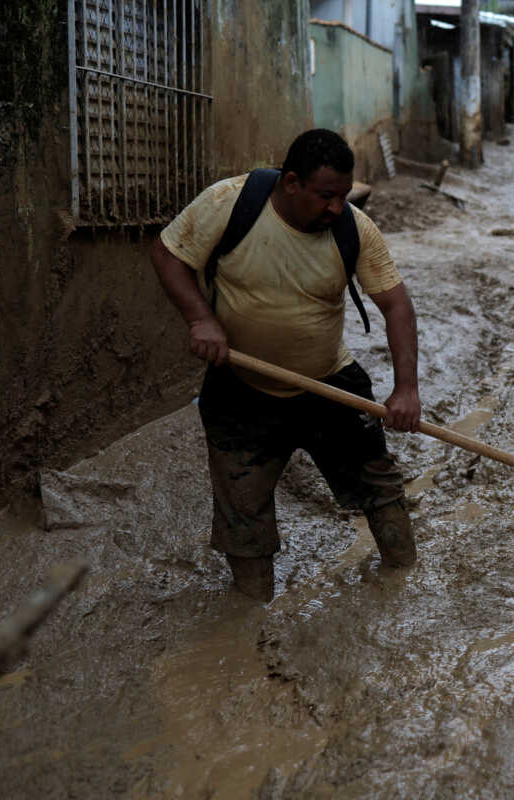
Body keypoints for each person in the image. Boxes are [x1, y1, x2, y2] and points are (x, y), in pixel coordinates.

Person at [150, 129, 421, 601]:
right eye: (325, 196)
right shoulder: (230, 204)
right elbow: (167, 254)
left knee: (382, 491)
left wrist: (406, 390)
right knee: (244, 515)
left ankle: (407, 587)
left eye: (343, 195)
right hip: (240, 391)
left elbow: (396, 305)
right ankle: (250, 623)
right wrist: (201, 319)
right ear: (291, 182)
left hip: (329, 386)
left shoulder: (354, 228)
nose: (337, 207)